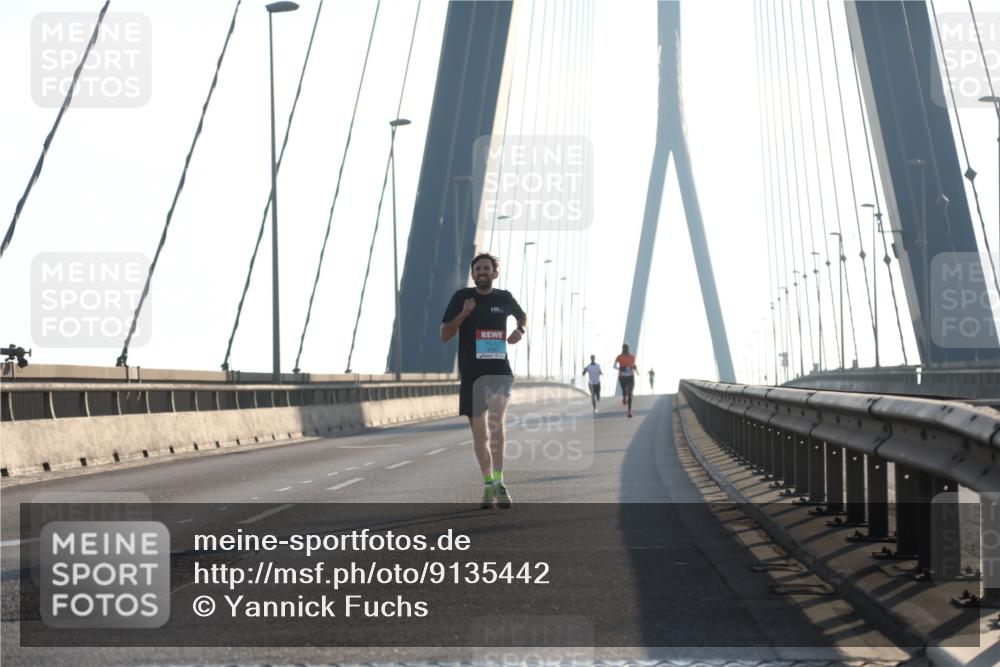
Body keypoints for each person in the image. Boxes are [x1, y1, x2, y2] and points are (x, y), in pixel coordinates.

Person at [441, 252, 526, 509]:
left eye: (486, 268)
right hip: (472, 375)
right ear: (473, 273)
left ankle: (500, 483)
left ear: (494, 273)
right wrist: (464, 314)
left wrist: (519, 331)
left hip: (499, 371)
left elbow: (522, 315)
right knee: (479, 433)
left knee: (496, 423)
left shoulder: (504, 298)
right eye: (478, 268)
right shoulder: (461, 298)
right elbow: (445, 334)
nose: (482, 272)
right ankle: (488, 483)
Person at [614, 343, 637, 418]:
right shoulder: (619, 357)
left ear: (628, 348)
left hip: (630, 376)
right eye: (624, 348)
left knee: (630, 393)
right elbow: (614, 366)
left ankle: (629, 411)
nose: (625, 349)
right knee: (624, 391)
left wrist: (634, 367)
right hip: (622, 377)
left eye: (626, 348)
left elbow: (633, 365)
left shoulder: (632, 356)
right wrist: (620, 368)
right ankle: (624, 397)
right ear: (622, 348)